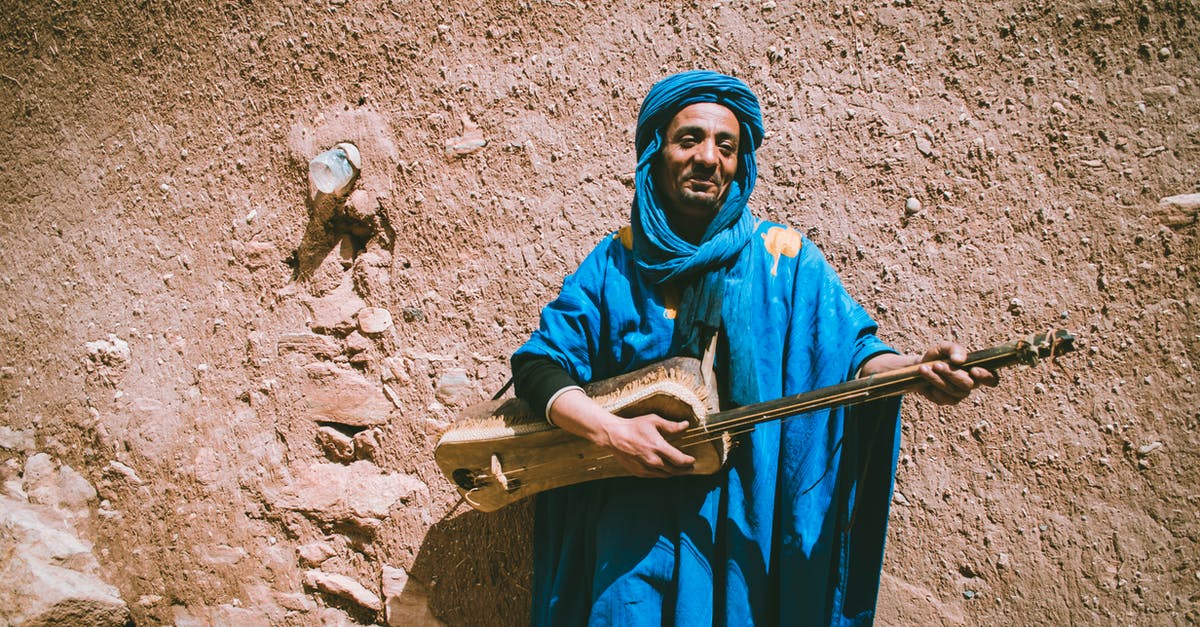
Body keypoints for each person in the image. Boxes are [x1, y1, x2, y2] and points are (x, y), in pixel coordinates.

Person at [510, 71, 996, 626]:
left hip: (744, 524)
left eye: (727, 145)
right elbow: (539, 365)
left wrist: (909, 371)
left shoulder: (784, 261)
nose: (708, 158)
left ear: (743, 164)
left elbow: (853, 354)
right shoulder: (615, 263)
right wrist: (612, 432)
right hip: (631, 533)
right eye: (688, 138)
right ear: (655, 153)